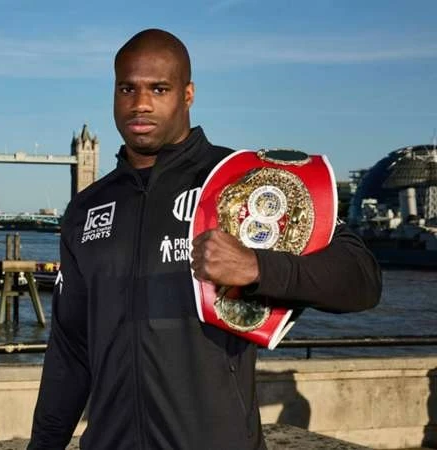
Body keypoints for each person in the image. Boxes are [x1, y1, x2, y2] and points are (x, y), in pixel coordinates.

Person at [29, 29, 381, 450]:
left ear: (188, 93)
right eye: (128, 88)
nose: (140, 103)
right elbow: (70, 349)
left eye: (159, 88)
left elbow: (362, 279)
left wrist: (259, 268)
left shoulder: (245, 181)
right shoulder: (87, 208)